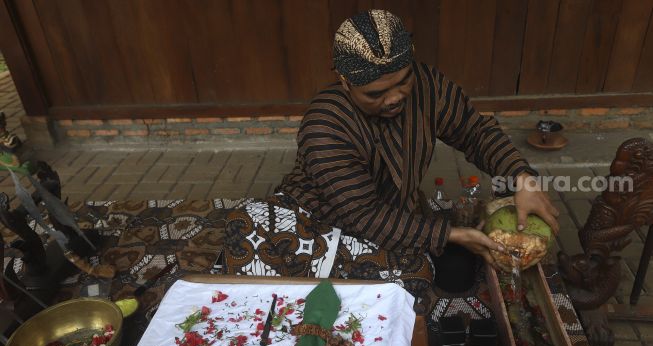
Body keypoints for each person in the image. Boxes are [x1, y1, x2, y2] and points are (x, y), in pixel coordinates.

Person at [222, 9, 559, 311]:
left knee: (455, 272)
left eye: (403, 82)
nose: (395, 97)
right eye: (375, 94)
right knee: (411, 283)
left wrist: (521, 177)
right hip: (324, 218)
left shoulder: (428, 86)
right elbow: (364, 215)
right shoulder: (325, 123)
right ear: (345, 82)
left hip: (395, 210)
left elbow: (475, 131)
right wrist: (453, 234)